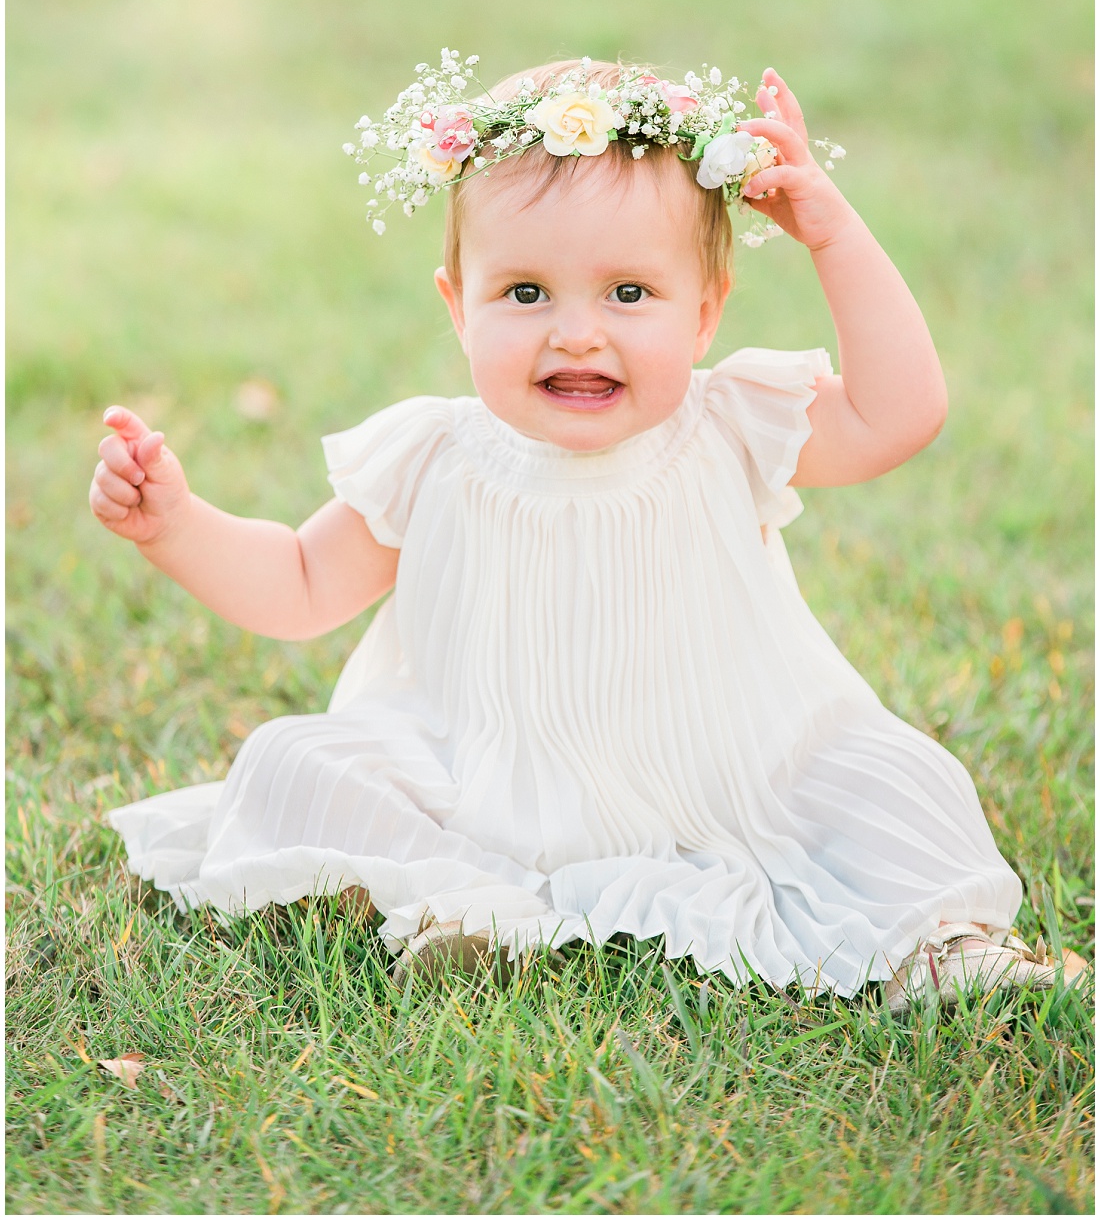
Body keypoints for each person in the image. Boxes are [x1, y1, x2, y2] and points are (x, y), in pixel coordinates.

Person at [91, 55, 1079, 1008]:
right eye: (524, 293)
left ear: (704, 313)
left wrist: (832, 233)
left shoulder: (731, 424)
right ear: (457, 307)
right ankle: (468, 909)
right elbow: (300, 584)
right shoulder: (434, 454)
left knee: (890, 781)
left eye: (628, 293)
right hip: (482, 775)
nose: (575, 331)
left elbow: (899, 412)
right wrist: (177, 524)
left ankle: (939, 949)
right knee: (292, 760)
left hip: (720, 769)